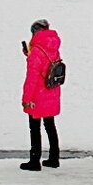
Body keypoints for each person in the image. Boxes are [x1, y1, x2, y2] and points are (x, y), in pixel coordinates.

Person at [21, 19, 62, 171]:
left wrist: (26, 99)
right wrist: (29, 55)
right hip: (51, 93)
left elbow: (32, 78)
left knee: (34, 127)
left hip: (37, 95)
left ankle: (34, 160)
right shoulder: (53, 48)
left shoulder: (37, 51)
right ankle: (54, 158)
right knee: (50, 125)